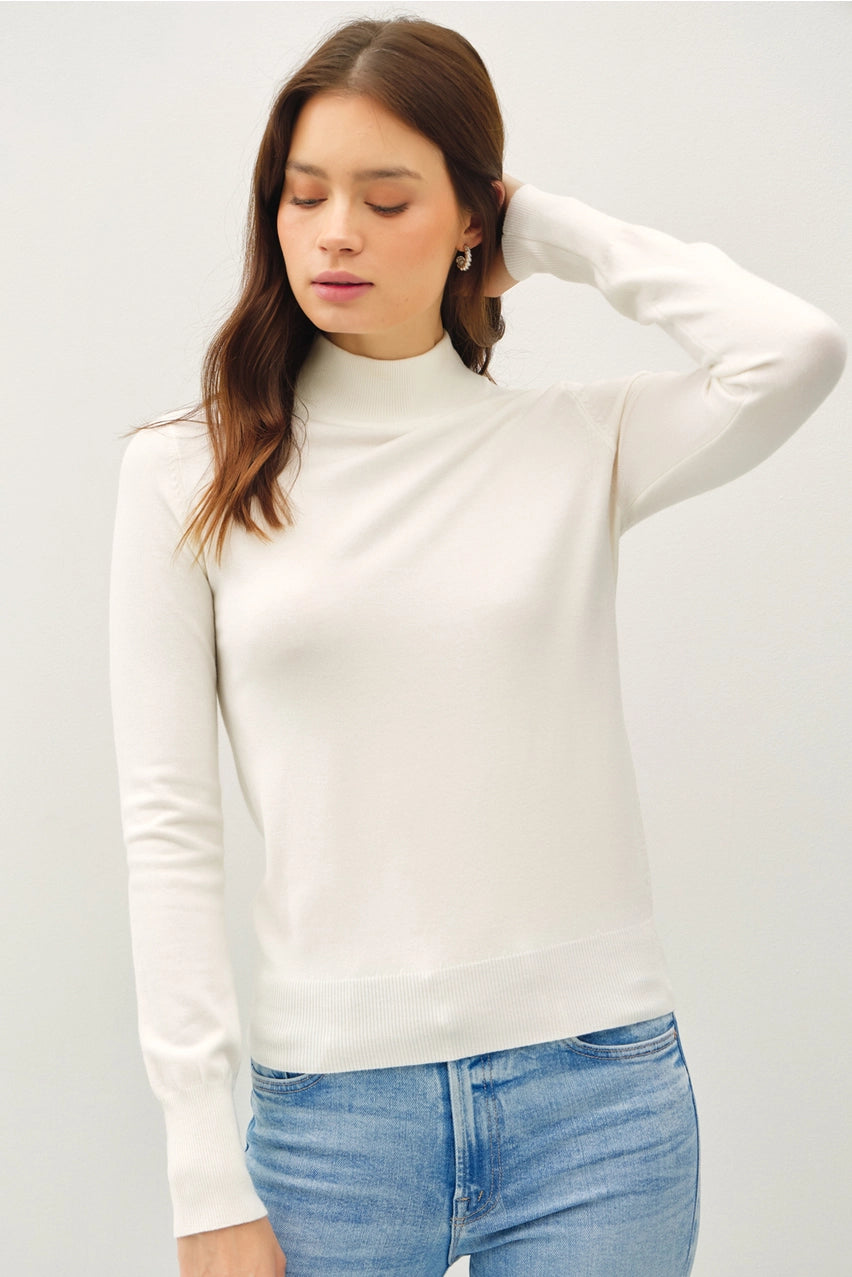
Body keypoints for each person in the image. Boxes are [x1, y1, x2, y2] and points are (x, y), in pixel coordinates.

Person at [108, 16, 846, 1277]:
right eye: (303, 194)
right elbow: (169, 827)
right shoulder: (188, 472)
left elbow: (796, 351)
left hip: (599, 1104)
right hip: (332, 1121)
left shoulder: (573, 444)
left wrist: (545, 231)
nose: (335, 232)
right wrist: (201, 1171)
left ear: (468, 219)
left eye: (387, 198)